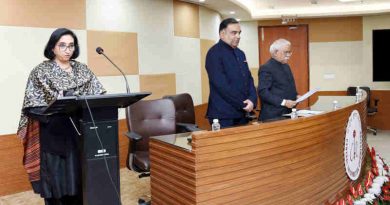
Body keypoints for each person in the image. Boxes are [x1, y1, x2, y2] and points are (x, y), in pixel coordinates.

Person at [17, 28, 106, 205]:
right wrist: (58, 108)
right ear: (53, 48)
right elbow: (31, 106)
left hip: (81, 131)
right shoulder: (41, 71)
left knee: (80, 180)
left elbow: (98, 95)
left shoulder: (82, 69)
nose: (67, 49)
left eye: (71, 45)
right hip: (54, 134)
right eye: (62, 45)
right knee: (57, 184)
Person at [205, 18, 257, 128]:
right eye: (234, 33)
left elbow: (248, 79)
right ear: (222, 34)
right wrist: (243, 104)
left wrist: (252, 99)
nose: (238, 36)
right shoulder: (214, 53)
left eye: (239, 33)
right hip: (223, 115)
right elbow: (221, 85)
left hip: (242, 113)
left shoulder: (240, 53)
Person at [257, 38, 299, 121]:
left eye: (289, 52)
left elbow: (287, 86)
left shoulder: (286, 66)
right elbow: (263, 92)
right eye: (286, 52)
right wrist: (284, 102)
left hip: (287, 112)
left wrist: (296, 95)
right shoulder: (266, 68)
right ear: (275, 53)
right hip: (273, 115)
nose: (289, 55)